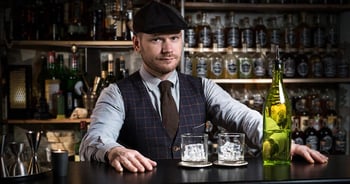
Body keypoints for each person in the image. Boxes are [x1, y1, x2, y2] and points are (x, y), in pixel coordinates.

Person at [80, 1, 328, 173]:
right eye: (157, 40)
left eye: (174, 38)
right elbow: (93, 140)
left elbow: (242, 117)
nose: (168, 49)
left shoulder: (204, 87)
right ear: (136, 43)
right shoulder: (116, 93)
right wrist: (114, 151)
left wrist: (282, 143)